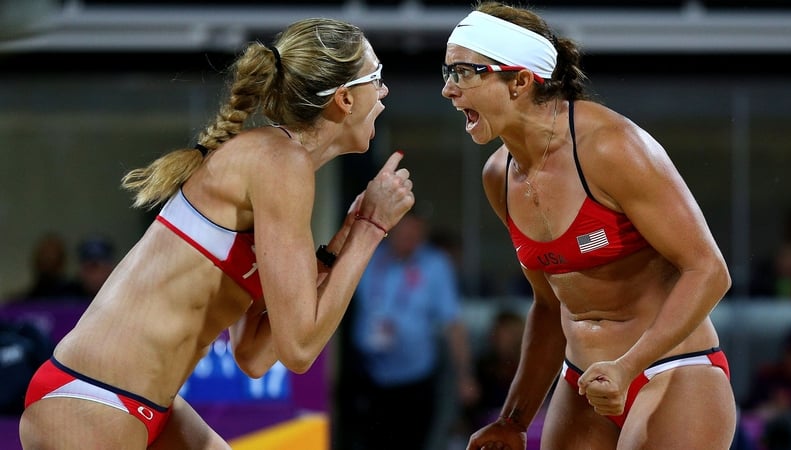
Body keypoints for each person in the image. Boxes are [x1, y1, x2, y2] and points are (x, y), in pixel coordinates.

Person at [19, 17, 414, 450]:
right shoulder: (280, 162)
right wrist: (371, 231)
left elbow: (255, 356)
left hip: (138, 403)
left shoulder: (277, 165)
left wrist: (342, 243)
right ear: (343, 99)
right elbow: (301, 349)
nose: (385, 92)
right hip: (93, 398)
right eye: (377, 78)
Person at [441, 2, 735, 449]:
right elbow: (547, 304)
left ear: (520, 80)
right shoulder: (499, 176)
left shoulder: (609, 147)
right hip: (584, 381)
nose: (448, 89)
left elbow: (709, 270)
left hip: (670, 369)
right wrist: (514, 419)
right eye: (446, 72)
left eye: (464, 72)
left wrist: (628, 365)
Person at [346, 209, 478, 450]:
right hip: (369, 375)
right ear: (391, 230)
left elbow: (453, 323)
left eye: (416, 233)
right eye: (405, 232)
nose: (410, 239)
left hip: (415, 379)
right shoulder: (370, 258)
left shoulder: (435, 265)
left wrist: (465, 375)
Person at [71, 235, 117, 299]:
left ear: (111, 270)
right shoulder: (67, 298)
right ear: (80, 272)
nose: (95, 277)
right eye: (89, 270)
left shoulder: (122, 296)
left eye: (101, 270)